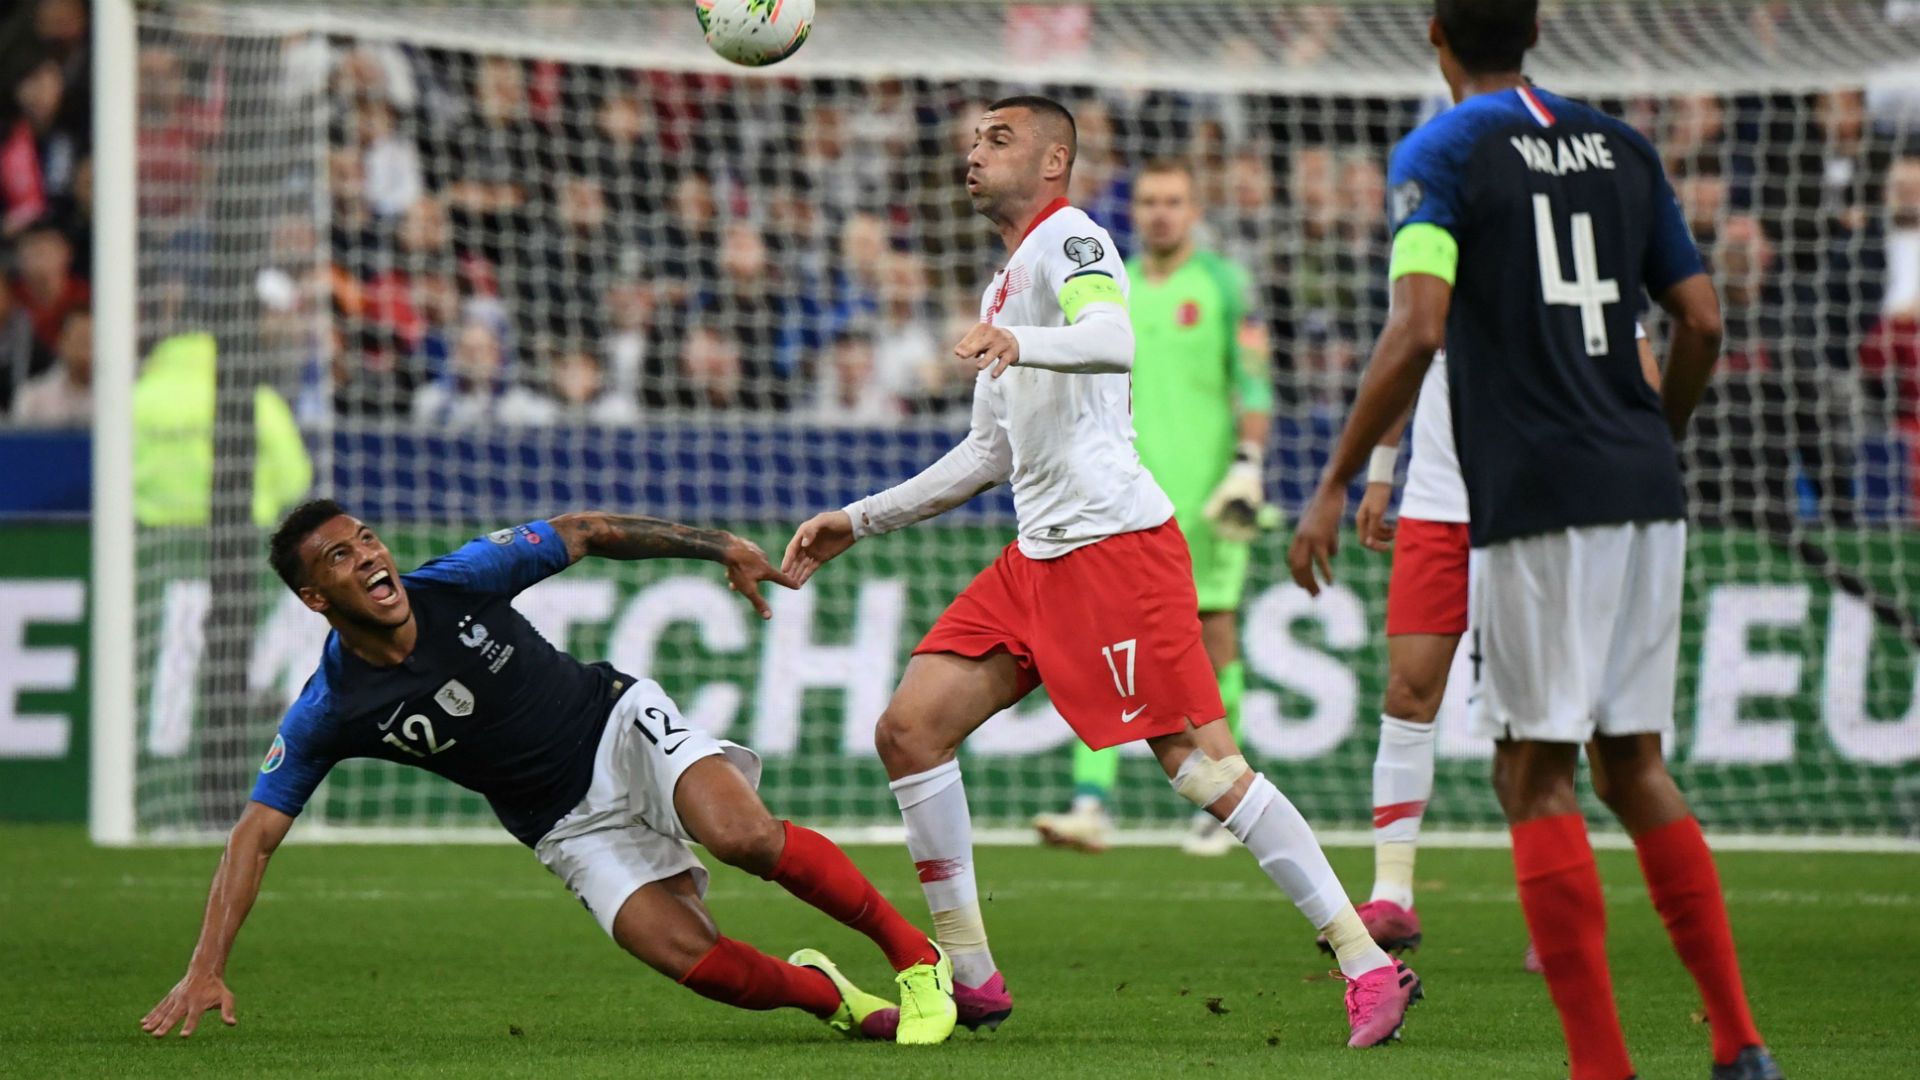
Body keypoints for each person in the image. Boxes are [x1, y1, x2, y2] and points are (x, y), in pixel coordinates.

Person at [783, 96, 1419, 1049]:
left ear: (1054, 161)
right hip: (1037, 558)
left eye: (999, 139)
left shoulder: (1074, 238)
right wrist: (861, 518)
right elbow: (988, 452)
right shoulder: (1005, 282)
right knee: (909, 730)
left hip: (1116, 550)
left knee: (1204, 768)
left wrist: (1023, 342)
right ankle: (972, 975)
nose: (975, 152)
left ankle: (1367, 965)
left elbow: (1115, 340)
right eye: (974, 138)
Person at [1286, 3, 1778, 1078]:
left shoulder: (1442, 153)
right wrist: (1653, 435)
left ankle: (1601, 1064)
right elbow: (1701, 321)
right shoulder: (1625, 145)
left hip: (1536, 488)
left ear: (1434, 34)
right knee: (1634, 764)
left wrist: (1334, 479)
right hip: (1642, 481)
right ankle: (1740, 1042)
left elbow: (1418, 324)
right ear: (1538, 29)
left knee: (1532, 774)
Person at [140, 502, 958, 1045]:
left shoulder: (458, 580)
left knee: (741, 835)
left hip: (615, 725)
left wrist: (719, 545)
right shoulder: (331, 708)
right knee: (689, 958)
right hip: (561, 824)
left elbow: (586, 530)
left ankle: (915, 958)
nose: (369, 558)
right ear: (316, 598)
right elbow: (254, 836)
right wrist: (206, 965)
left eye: (367, 540)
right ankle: (834, 999)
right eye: (340, 558)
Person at [1337, 326, 1657, 970]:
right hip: (1434, 510)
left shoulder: (1569, 268)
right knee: (1407, 691)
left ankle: (1557, 914)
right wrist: (1380, 474)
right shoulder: (1431, 267)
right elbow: (1405, 356)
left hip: (1531, 511)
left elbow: (1641, 370)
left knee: (1539, 715)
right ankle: (1392, 894)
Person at [1030, 157, 1276, 857]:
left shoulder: (1225, 284)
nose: (1161, 213)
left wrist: (1248, 466)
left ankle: (1224, 804)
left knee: (1213, 636)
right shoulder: (1110, 285)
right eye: (1149, 202)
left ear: (1195, 210)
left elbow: (1255, 384)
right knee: (1103, 637)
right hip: (1122, 494)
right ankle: (1091, 803)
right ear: (1133, 211)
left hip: (1206, 500)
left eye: (1173, 201)